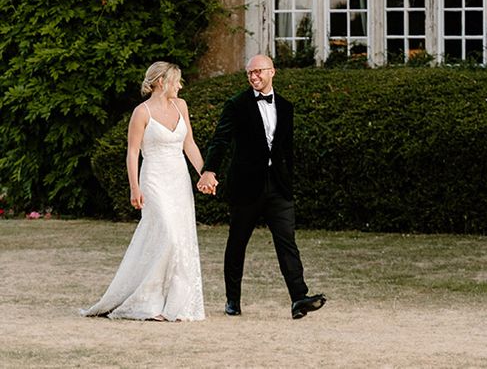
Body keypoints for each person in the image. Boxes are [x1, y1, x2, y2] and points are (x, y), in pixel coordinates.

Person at [197, 54, 326, 319]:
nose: (254, 77)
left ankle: (299, 298)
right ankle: (232, 299)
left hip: (278, 187)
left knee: (287, 242)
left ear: (272, 72)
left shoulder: (287, 107)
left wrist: (288, 179)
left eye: (259, 72)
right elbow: (220, 140)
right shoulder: (236, 105)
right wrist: (209, 170)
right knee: (237, 243)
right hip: (245, 187)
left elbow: (286, 149)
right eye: (250, 74)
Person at [82, 62, 205, 321]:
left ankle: (176, 304)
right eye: (177, 81)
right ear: (161, 82)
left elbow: (189, 143)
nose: (180, 86)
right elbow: (132, 152)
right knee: (168, 235)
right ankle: (147, 302)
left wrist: (204, 173)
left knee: (181, 239)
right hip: (154, 180)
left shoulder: (181, 106)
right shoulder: (142, 112)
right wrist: (134, 187)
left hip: (179, 180)